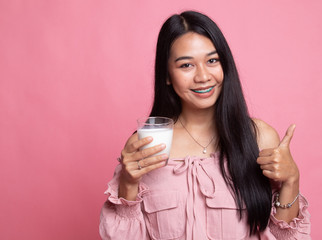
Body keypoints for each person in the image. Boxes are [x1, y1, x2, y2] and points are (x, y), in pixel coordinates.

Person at [99, 11, 310, 240]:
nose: (203, 76)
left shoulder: (259, 138)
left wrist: (291, 180)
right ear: (167, 75)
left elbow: (283, 237)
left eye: (212, 61)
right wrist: (128, 184)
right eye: (186, 65)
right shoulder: (145, 145)